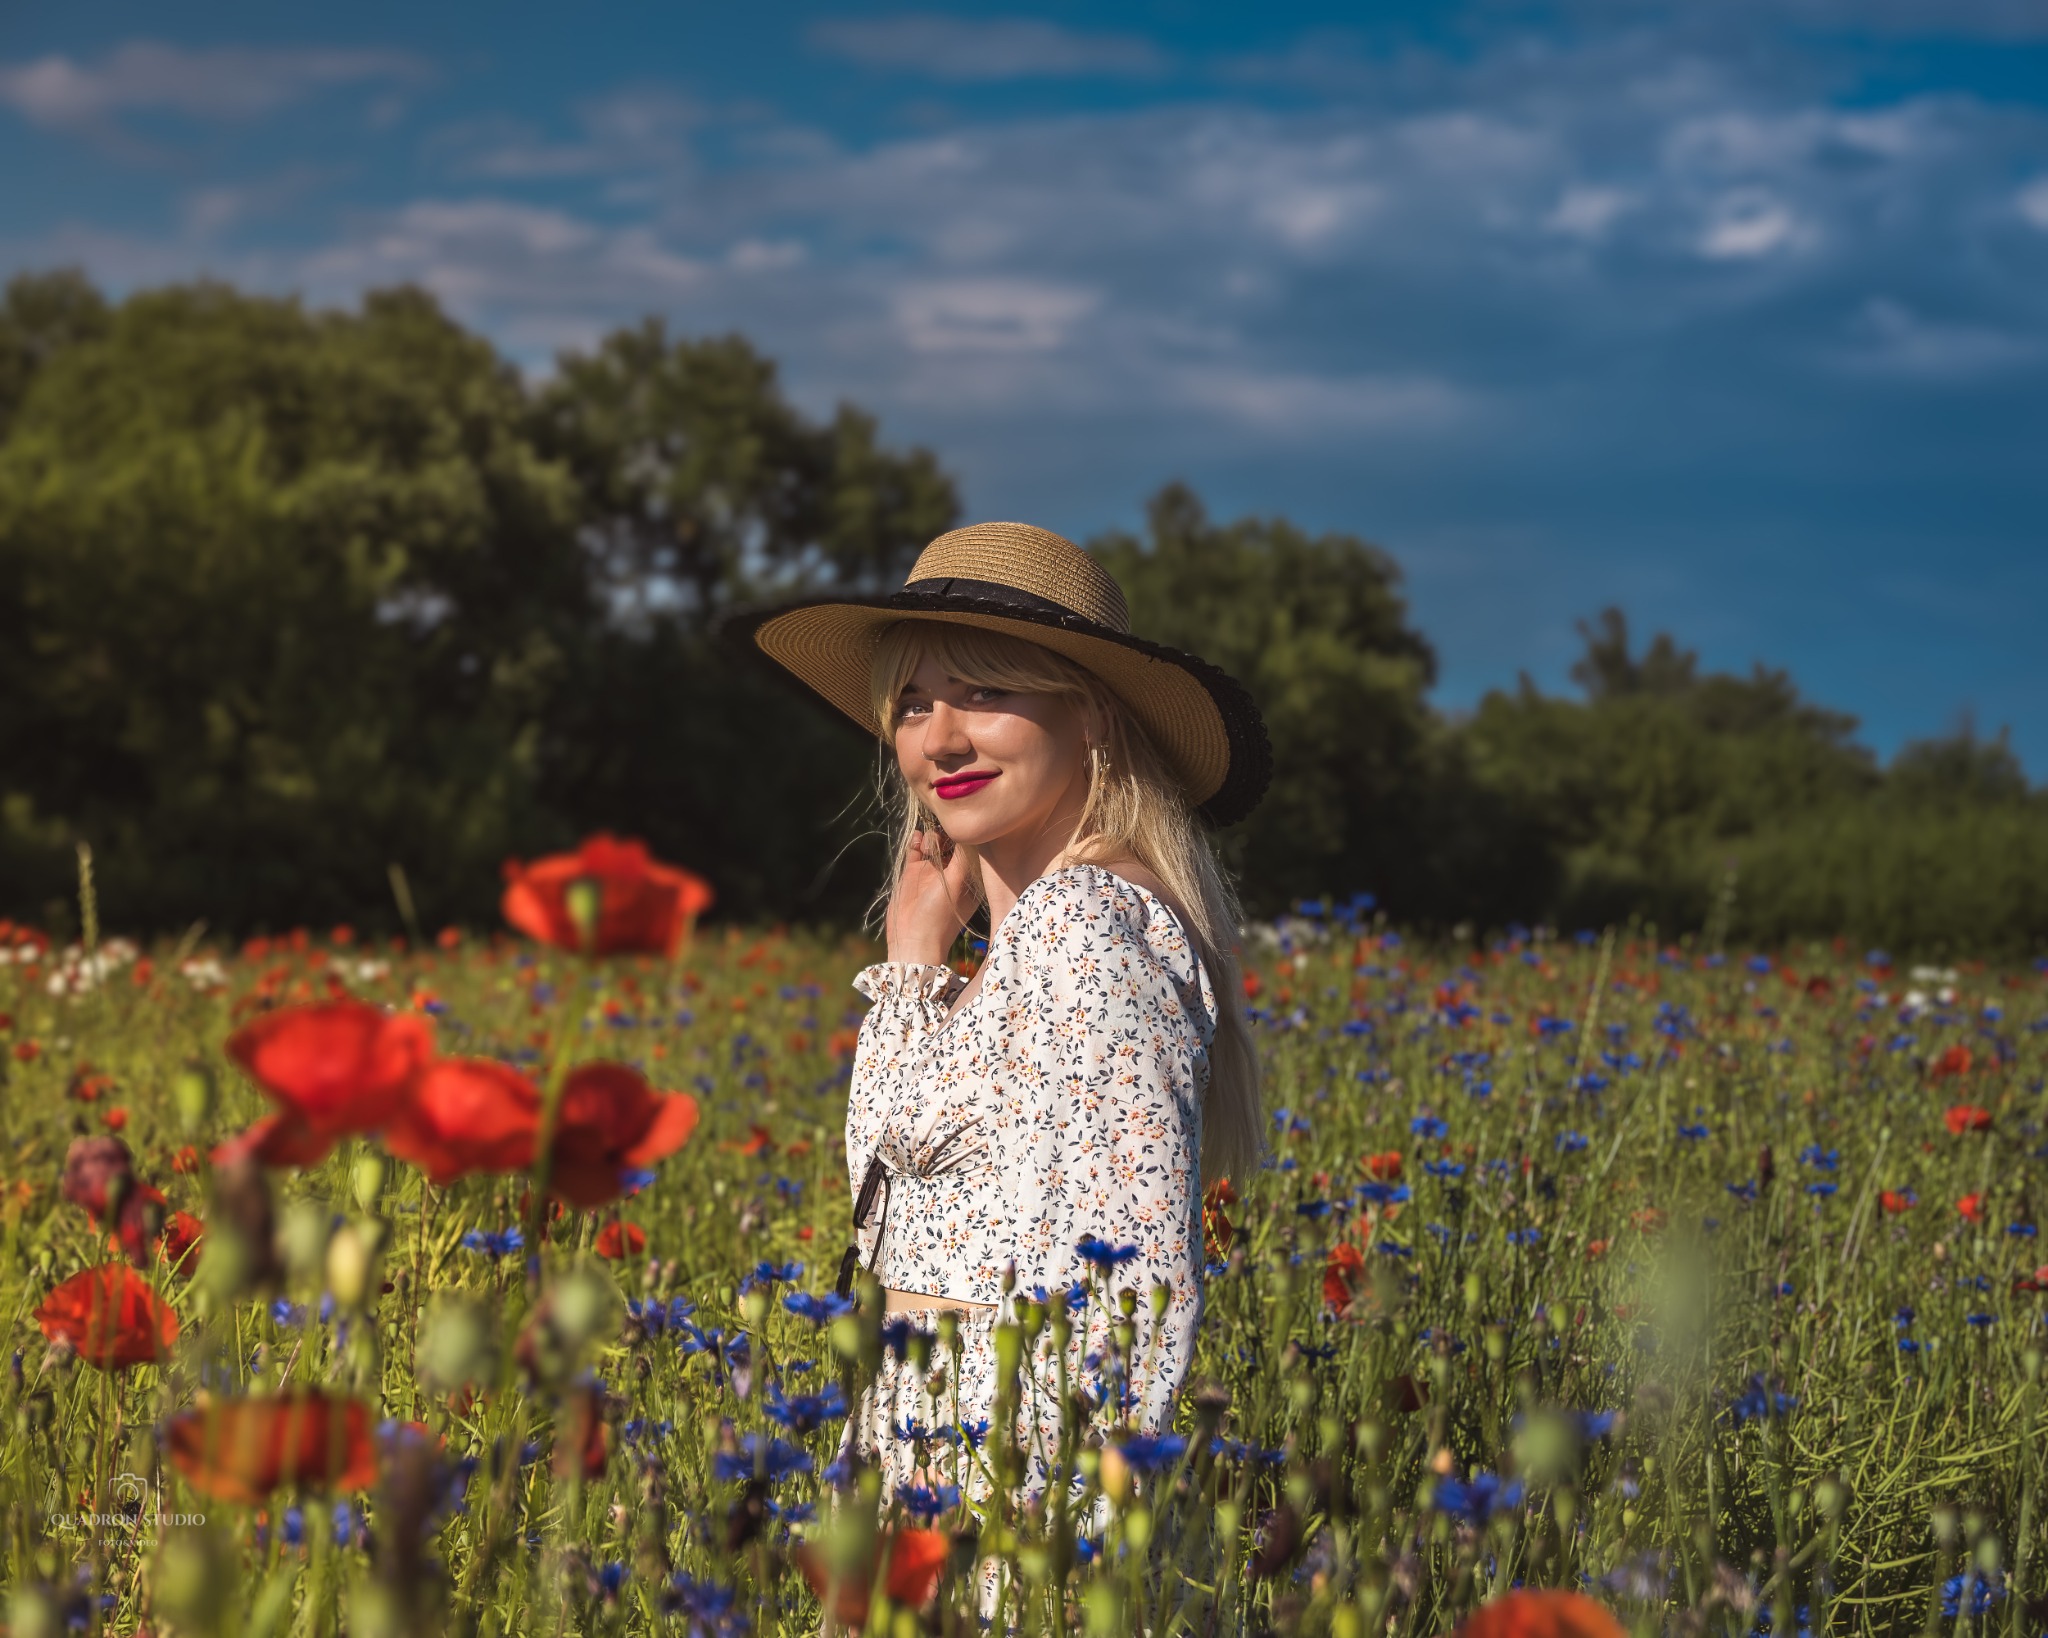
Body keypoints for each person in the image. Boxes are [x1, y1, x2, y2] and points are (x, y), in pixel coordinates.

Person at [724, 520, 1272, 1513]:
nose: (939, 738)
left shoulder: (1082, 924)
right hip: (931, 1486)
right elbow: (887, 1220)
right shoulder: (1017, 950)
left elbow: (1125, 1298)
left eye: (985, 691)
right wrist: (912, 966)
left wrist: (1046, 1564)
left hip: (1006, 1521)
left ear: (1094, 716)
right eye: (913, 702)